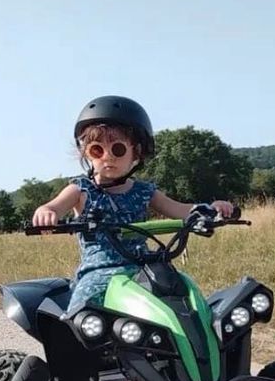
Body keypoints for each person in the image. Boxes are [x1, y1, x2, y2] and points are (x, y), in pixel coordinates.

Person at [32, 95, 235, 313]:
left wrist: (211, 209)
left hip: (143, 269)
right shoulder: (80, 190)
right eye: (97, 150)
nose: (107, 157)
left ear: (136, 152)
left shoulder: (144, 191)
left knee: (185, 297)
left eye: (117, 149)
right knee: (80, 315)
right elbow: (53, 207)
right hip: (98, 272)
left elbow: (180, 209)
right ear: (86, 154)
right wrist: (46, 213)